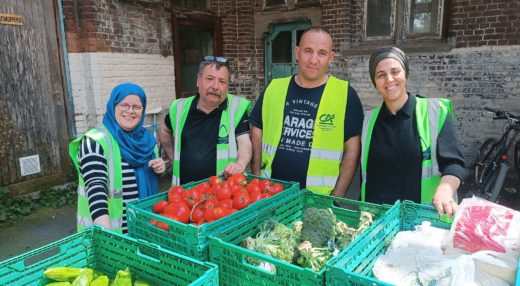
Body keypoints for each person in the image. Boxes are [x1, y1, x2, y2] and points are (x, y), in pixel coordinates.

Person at [250, 27, 364, 197]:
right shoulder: (274, 88)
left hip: (318, 199)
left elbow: (352, 150)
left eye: (322, 53)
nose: (313, 60)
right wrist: (256, 177)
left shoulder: (345, 94)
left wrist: (336, 198)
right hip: (270, 193)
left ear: (331, 58)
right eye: (308, 51)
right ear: (297, 52)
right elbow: (257, 129)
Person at [361, 46, 468, 216]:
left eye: (395, 71)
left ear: (406, 74)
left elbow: (454, 164)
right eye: (381, 75)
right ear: (375, 83)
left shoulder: (435, 112)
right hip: (378, 224)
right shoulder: (367, 122)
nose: (389, 79)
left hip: (423, 223)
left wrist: (445, 190)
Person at [69, 82, 166, 234]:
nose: (130, 111)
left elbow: (147, 179)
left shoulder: (146, 140)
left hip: (143, 230)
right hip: (111, 235)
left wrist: (159, 169)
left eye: (137, 107)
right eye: (124, 105)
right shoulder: (95, 141)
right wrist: (106, 236)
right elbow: (96, 188)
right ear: (113, 106)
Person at [159, 55, 252, 185]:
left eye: (222, 81)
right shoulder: (179, 107)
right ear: (198, 80)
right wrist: (172, 157)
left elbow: (245, 144)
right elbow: (164, 129)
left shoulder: (236, 108)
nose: (215, 86)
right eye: (210, 79)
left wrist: (240, 164)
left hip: (223, 194)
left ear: (227, 86)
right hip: (183, 195)